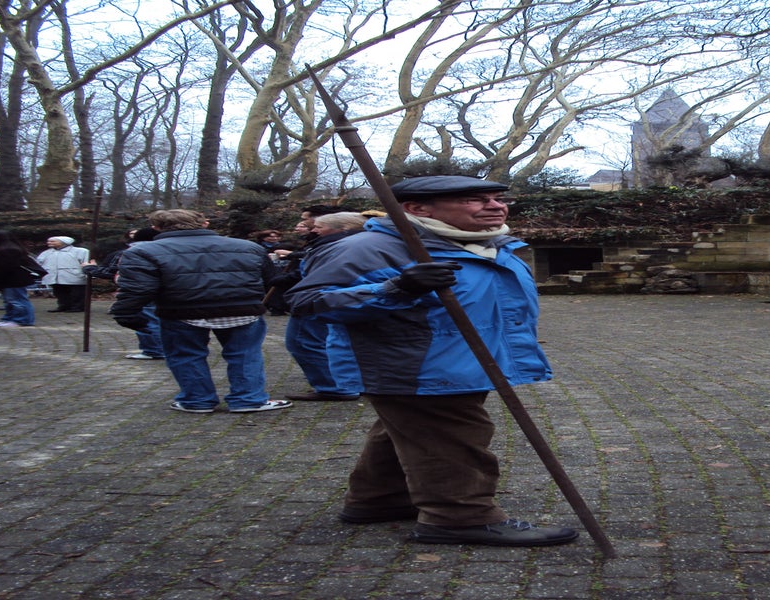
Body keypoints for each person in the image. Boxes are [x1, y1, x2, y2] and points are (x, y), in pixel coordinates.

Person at [285, 175, 576, 547]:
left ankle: (380, 499)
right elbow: (309, 303)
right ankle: (459, 517)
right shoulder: (371, 248)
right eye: (475, 200)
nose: (495, 206)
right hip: (416, 365)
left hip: (460, 361)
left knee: (410, 428)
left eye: (497, 198)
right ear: (417, 208)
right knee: (452, 436)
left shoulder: (482, 243)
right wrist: (395, 288)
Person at [110, 209, 289, 414]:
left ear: (156, 227)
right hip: (242, 308)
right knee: (246, 355)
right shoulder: (248, 247)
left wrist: (126, 312)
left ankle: (197, 400)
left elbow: (138, 288)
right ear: (204, 223)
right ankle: (248, 399)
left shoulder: (143, 251)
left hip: (181, 310)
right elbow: (270, 280)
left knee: (186, 355)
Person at [275, 212, 368, 402]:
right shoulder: (361, 243)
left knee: (303, 341)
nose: (315, 230)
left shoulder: (334, 246)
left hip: (321, 299)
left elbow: (320, 274)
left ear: (342, 228)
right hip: (335, 298)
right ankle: (346, 383)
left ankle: (334, 386)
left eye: (320, 227)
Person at [83, 228, 165, 359]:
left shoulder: (131, 253)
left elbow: (111, 272)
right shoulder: (167, 250)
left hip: (139, 291)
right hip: (165, 291)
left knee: (147, 321)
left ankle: (155, 350)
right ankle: (164, 348)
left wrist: (89, 268)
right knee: (160, 321)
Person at [0, 229, 38, 328]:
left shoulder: (8, 249)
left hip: (14, 279)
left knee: (17, 300)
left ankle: (21, 320)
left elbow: (8, 266)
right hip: (7, 279)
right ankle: (9, 318)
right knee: (9, 300)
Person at [35, 236, 89, 312]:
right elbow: (38, 263)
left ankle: (78, 307)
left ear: (64, 242)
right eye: (48, 241)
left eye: (53, 241)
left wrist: (87, 274)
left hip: (75, 276)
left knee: (76, 293)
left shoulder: (80, 251)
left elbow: (86, 263)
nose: (49, 243)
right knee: (59, 292)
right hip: (54, 277)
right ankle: (63, 306)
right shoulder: (46, 253)